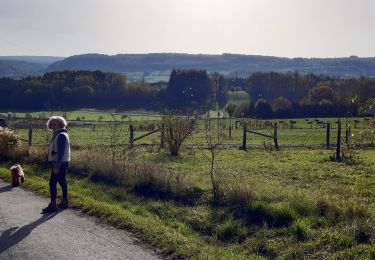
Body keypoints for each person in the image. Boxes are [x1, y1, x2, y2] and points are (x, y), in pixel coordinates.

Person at [42, 116, 71, 213]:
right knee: (62, 181)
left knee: (52, 183)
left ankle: (53, 205)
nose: (53, 126)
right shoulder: (59, 134)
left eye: (55, 124)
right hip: (62, 162)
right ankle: (64, 201)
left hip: (59, 163)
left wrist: (57, 166)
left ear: (60, 124)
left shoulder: (61, 135)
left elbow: (61, 152)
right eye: (52, 124)